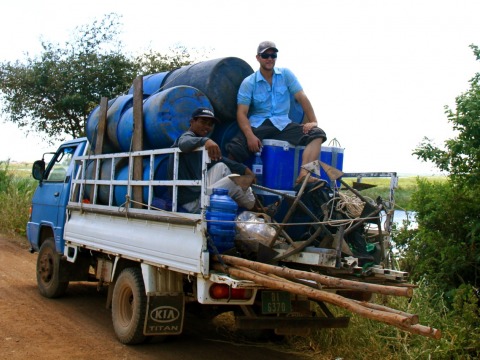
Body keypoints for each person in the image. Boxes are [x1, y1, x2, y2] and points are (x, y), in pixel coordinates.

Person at [226, 41, 327, 184]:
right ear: (258, 58)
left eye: (273, 55)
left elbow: (301, 97)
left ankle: (304, 174)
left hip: (283, 125)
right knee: (235, 149)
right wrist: (249, 136)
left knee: (317, 134)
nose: (269, 59)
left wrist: (313, 121)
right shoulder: (249, 82)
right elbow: (241, 113)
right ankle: (228, 188)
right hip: (259, 125)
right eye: (265, 55)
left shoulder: (286, 74)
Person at [168, 107, 255, 213]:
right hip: (191, 202)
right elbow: (183, 143)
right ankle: (254, 208)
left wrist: (244, 169)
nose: (207, 127)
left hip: (197, 191)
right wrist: (206, 140)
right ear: (192, 122)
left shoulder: (199, 145)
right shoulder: (188, 137)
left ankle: (246, 202)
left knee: (222, 167)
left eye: (210, 124)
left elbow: (220, 159)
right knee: (235, 180)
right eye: (203, 122)